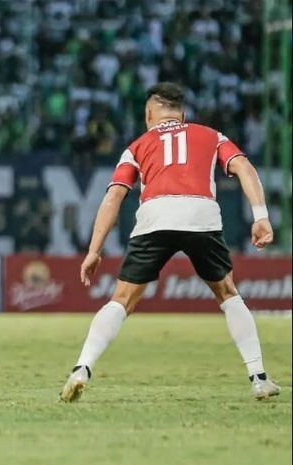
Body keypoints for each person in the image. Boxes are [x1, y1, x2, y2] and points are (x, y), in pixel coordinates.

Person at [60, 82, 280, 402]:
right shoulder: (212, 136)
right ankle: (258, 378)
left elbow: (114, 197)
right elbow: (244, 167)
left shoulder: (137, 146)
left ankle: (82, 369)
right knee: (228, 293)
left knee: (122, 299)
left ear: (150, 113)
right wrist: (260, 216)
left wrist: (94, 251)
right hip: (199, 212)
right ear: (183, 113)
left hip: (155, 214)